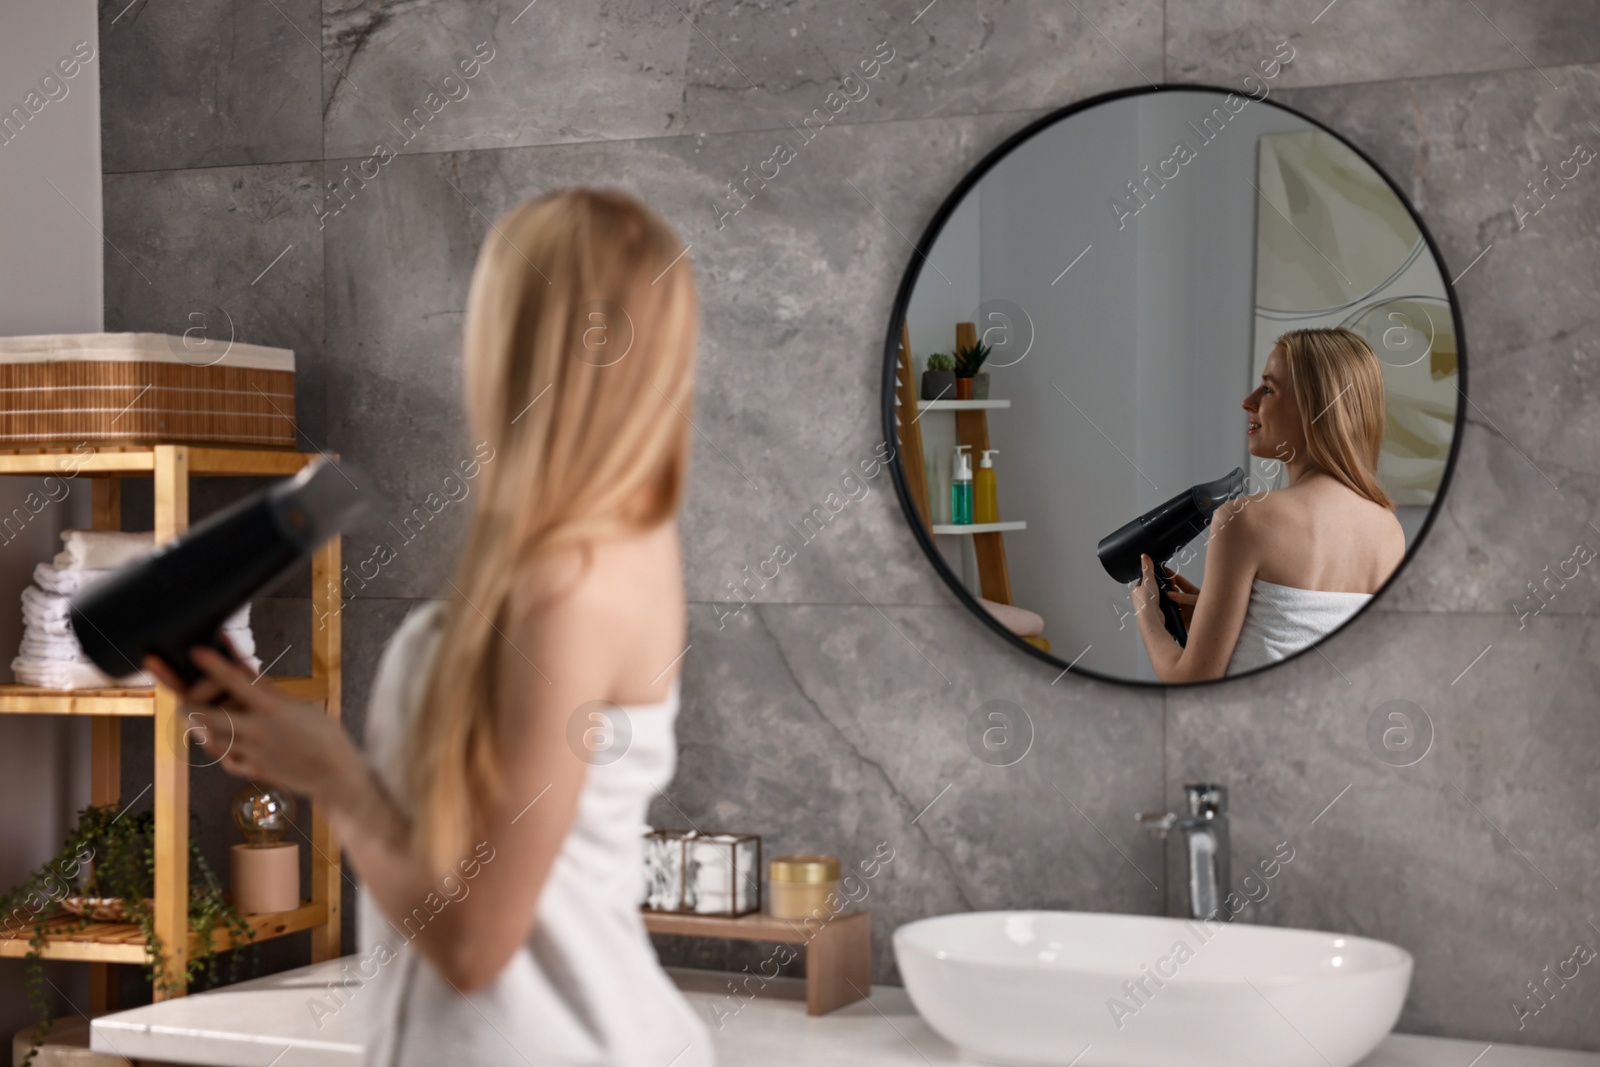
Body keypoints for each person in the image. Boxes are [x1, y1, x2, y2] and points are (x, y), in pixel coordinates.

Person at [145, 189, 715, 1067]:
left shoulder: (576, 580)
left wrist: (335, 778)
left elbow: (474, 945)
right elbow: (458, 840)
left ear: (520, 342)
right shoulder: (602, 546)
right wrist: (274, 734)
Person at [1131, 327, 1404, 682]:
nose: (1248, 400)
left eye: (1269, 389)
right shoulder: (1388, 529)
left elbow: (1192, 683)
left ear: (1316, 408)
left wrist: (1149, 620)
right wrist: (1228, 618)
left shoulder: (1246, 519)